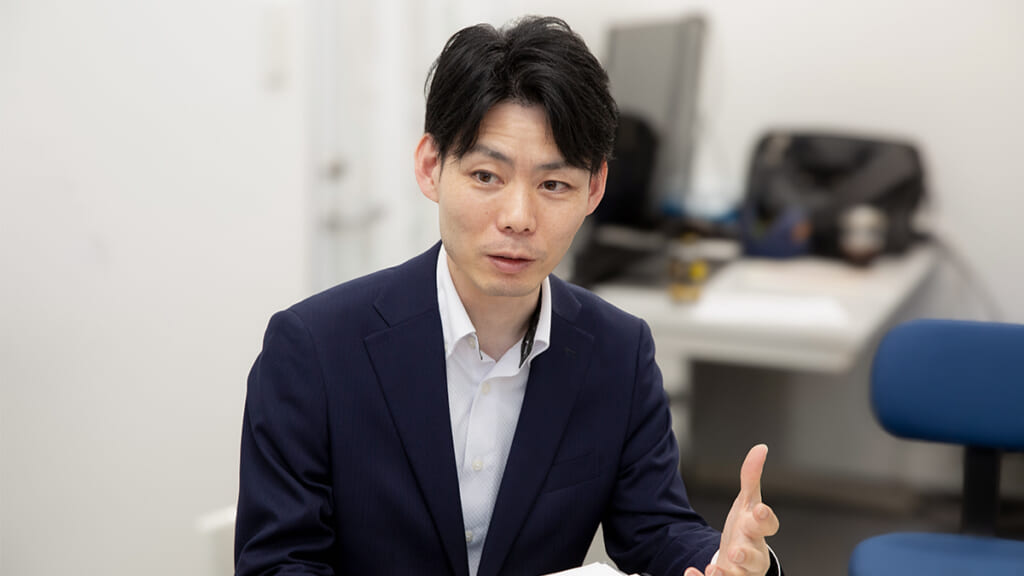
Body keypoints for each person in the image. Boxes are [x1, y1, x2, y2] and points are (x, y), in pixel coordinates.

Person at [235, 16, 780, 576]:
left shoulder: (619, 351)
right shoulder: (314, 350)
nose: (518, 217)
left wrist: (727, 561)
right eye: (486, 177)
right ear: (430, 167)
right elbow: (278, 565)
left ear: (594, 188)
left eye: (553, 185)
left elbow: (659, 530)